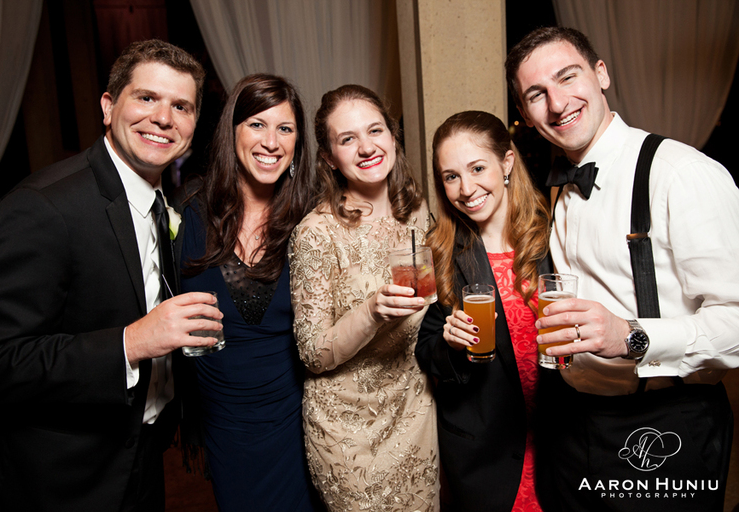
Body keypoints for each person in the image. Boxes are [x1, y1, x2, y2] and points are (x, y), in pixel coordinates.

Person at [0, 40, 221, 512]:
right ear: (108, 107)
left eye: (181, 106)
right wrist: (131, 343)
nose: (163, 117)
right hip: (54, 480)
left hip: (139, 461)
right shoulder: (43, 206)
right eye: (146, 98)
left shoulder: (163, 203)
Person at [506, 26, 739, 511]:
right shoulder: (564, 190)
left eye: (567, 77)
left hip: (664, 425)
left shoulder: (680, 172)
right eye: (536, 95)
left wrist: (630, 336)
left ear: (601, 74)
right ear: (526, 116)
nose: (557, 103)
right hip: (576, 427)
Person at [288, 84, 439, 511]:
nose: (367, 146)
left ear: (393, 137)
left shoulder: (418, 212)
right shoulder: (316, 234)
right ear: (329, 158)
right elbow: (313, 354)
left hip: (414, 413)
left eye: (375, 131)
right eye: (347, 139)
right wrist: (371, 311)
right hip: (348, 432)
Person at [176, 73, 322, 512]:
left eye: (285, 128)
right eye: (256, 124)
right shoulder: (191, 215)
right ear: (232, 132)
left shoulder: (313, 220)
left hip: (298, 425)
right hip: (226, 429)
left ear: (298, 143)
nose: (271, 141)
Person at [416, 111, 551, 511]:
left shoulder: (555, 236)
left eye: (477, 168)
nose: (466, 188)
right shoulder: (438, 251)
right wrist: (450, 343)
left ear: (506, 163)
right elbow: (424, 350)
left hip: (558, 443)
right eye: (451, 176)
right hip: (485, 456)